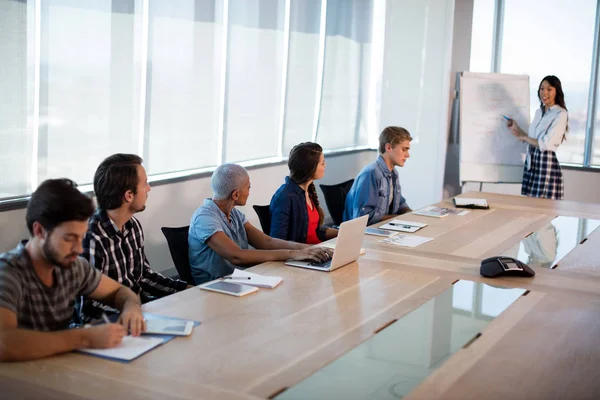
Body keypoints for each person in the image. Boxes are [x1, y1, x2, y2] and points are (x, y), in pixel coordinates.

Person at [0, 179, 145, 362]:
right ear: (39, 231)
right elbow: (4, 342)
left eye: (81, 237)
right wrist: (85, 337)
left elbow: (120, 292)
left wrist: (130, 307)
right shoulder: (7, 272)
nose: (79, 249)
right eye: (69, 238)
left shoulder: (73, 266)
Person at [188, 163, 333, 284]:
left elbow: (266, 241)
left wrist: (308, 249)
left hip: (241, 279)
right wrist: (294, 254)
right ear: (235, 195)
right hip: (215, 286)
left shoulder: (234, 213)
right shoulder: (204, 218)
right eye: (248, 187)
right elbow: (237, 256)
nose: (249, 192)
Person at [82, 154, 190, 304]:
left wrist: (187, 289)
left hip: (140, 310)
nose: (149, 189)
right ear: (129, 195)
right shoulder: (91, 238)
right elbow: (89, 306)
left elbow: (143, 276)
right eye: (145, 183)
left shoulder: (133, 226)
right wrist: (132, 315)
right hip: (114, 321)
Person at [506, 75, 568, 200]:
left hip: (545, 162)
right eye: (541, 89)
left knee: (541, 207)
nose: (544, 93)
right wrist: (516, 127)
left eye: (549, 89)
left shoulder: (560, 113)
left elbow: (547, 144)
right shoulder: (538, 112)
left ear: (557, 92)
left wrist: (525, 138)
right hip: (532, 160)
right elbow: (531, 138)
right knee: (529, 204)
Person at [269, 142, 338, 244]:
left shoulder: (307, 191)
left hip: (318, 250)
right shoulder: (285, 197)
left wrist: (342, 232)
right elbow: (278, 241)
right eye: (322, 163)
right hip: (305, 255)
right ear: (310, 167)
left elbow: (315, 230)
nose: (325, 165)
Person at [343, 126, 412, 225]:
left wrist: (410, 214)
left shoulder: (394, 173)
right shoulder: (370, 174)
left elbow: (400, 203)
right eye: (404, 150)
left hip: (385, 228)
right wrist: (398, 218)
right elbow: (362, 217)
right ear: (388, 147)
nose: (407, 155)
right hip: (364, 233)